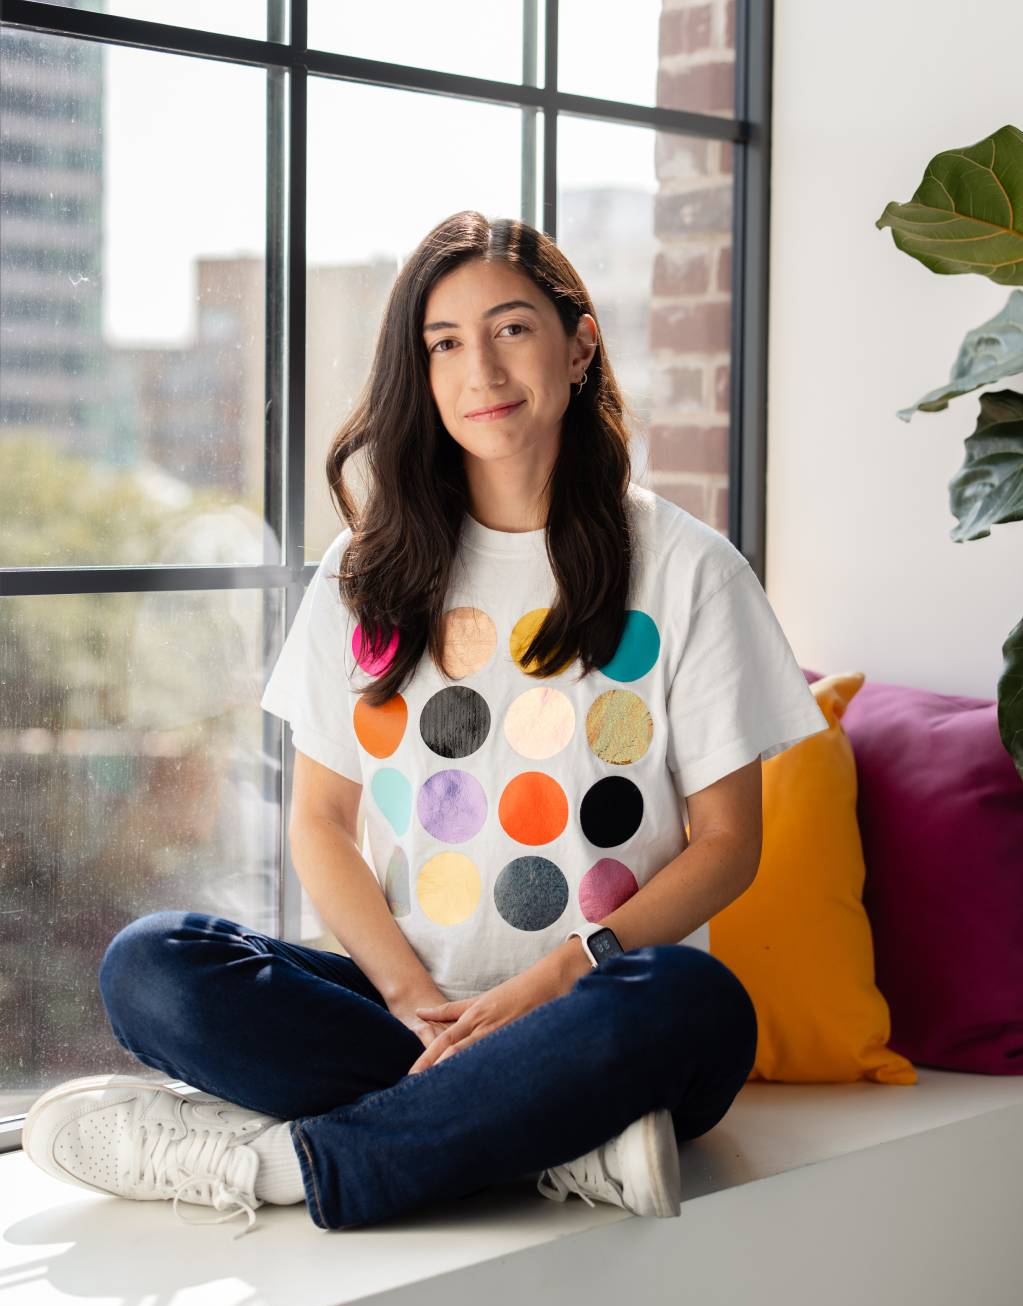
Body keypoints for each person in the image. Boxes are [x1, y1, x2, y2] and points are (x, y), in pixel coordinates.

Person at [21, 211, 829, 1239]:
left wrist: (547, 988)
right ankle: (555, 1137)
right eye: (443, 343)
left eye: (511, 330)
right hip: (404, 1008)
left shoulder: (688, 568)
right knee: (150, 965)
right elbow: (319, 820)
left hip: (599, 1006)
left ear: (579, 344)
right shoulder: (365, 575)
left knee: (697, 1000)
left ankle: (297, 1165)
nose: (478, 368)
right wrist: (407, 995)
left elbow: (729, 844)